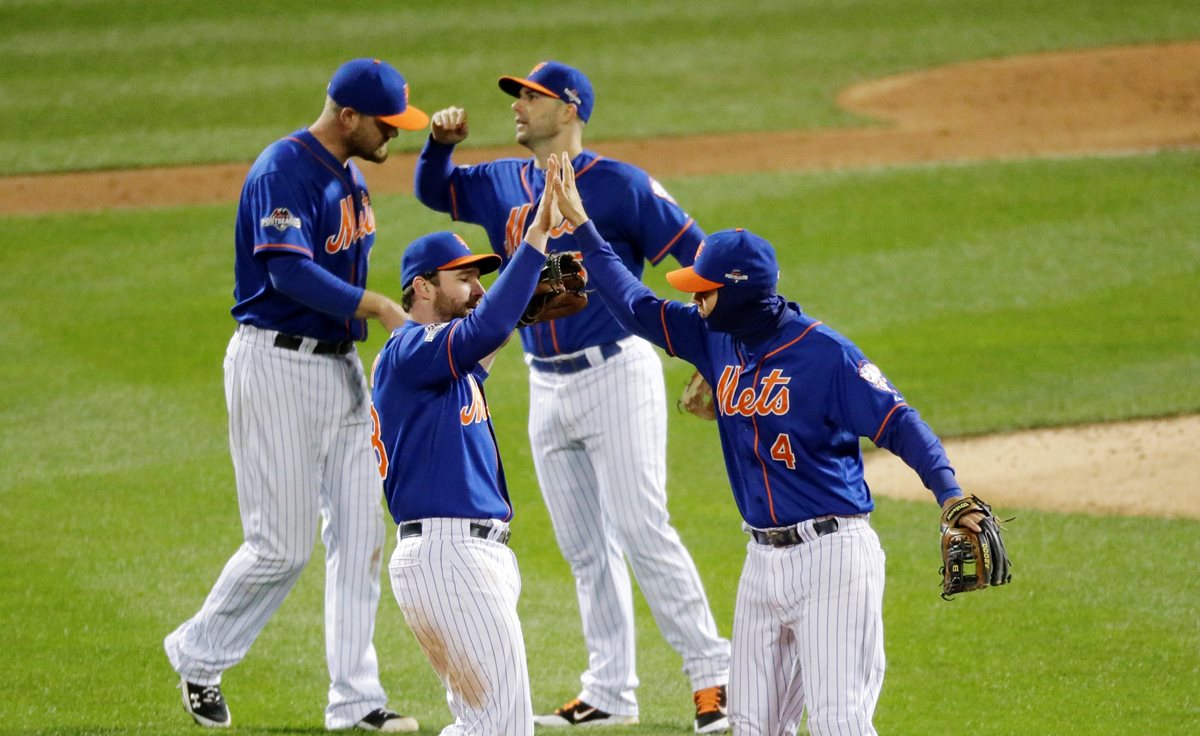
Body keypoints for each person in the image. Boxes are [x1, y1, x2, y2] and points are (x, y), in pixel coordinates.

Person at [544, 156, 989, 736]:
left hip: (833, 558)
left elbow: (901, 423)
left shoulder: (826, 355)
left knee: (837, 723)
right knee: (751, 725)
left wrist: (951, 496)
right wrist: (581, 225)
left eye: (705, 289)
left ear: (741, 294)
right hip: (761, 561)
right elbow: (633, 304)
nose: (695, 297)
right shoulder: (712, 336)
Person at [413, 60, 732, 733]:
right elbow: (432, 188)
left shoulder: (619, 185)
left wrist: (716, 353)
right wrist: (440, 143)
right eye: (517, 97)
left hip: (618, 373)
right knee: (584, 547)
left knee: (643, 528)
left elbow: (702, 262)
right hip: (545, 383)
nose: (518, 107)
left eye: (531, 96)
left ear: (571, 108)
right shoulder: (505, 179)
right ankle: (610, 688)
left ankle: (714, 679)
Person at [164, 58, 428, 732]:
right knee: (280, 547)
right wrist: (374, 305)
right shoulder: (283, 169)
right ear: (347, 117)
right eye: (385, 124)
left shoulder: (352, 174)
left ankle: (356, 700)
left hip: (341, 371)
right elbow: (286, 271)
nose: (393, 136)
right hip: (276, 366)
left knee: (363, 533)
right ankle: (199, 653)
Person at [371, 155, 564, 736]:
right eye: (465, 278)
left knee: (485, 723)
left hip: (462, 556)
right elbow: (480, 333)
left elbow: (484, 343)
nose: (479, 289)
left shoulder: (440, 365)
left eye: (482, 277)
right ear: (422, 288)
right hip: (449, 556)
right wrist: (535, 240)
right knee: (503, 726)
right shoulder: (411, 350)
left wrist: (519, 307)